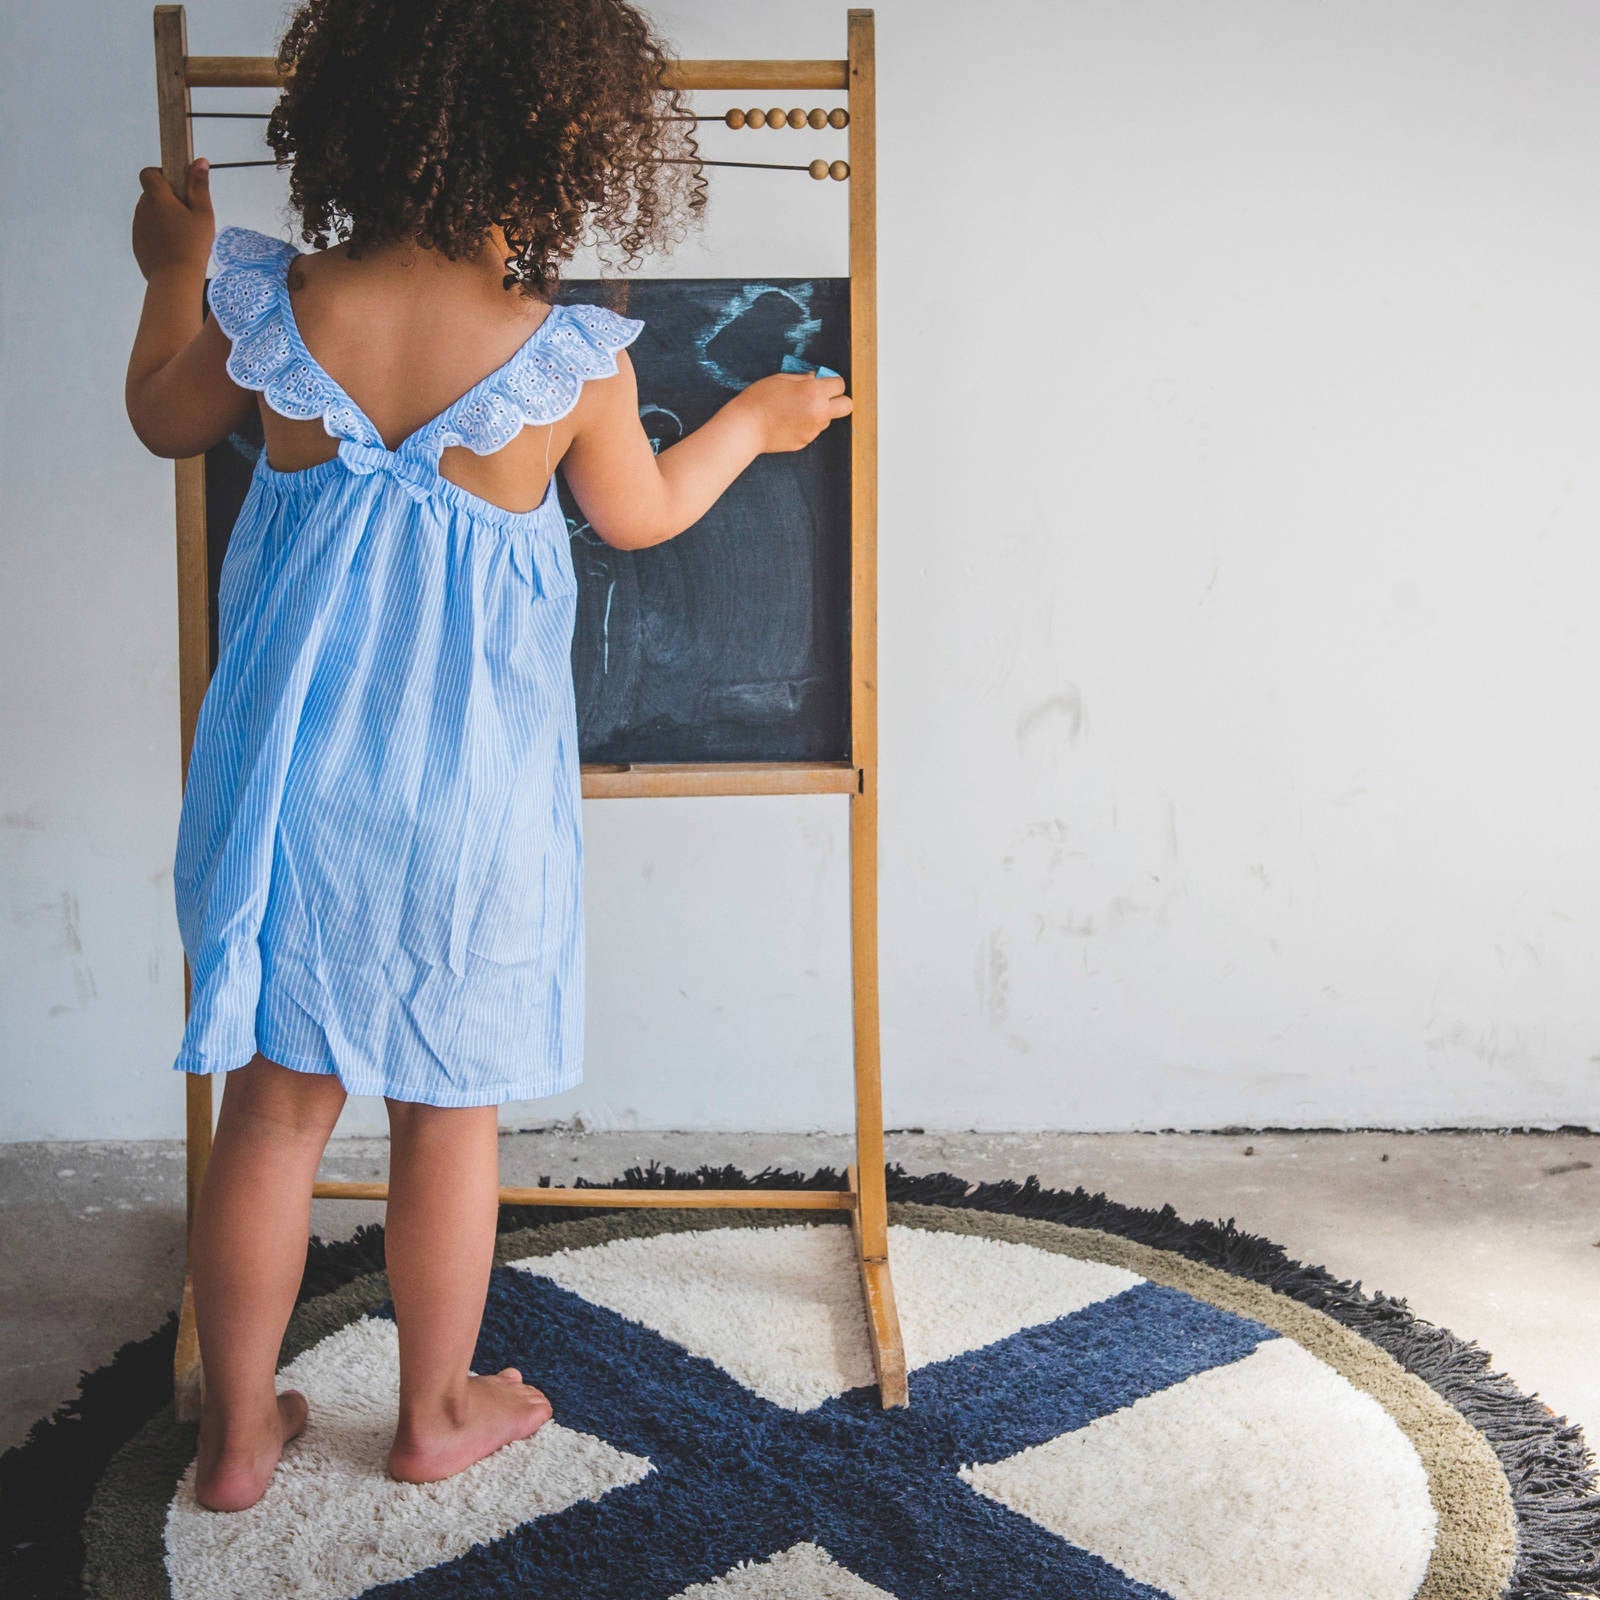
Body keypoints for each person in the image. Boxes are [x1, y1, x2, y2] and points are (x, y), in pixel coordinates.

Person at [124, 0, 851, 1514]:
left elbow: (159, 417)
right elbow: (642, 516)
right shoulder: (567, 360)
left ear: (348, 121)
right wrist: (756, 422)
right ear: (565, 146)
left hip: (291, 790)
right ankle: (434, 1410)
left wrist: (173, 270)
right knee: (448, 1107)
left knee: (275, 1107)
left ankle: (235, 1440)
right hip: (465, 804)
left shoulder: (280, 309)